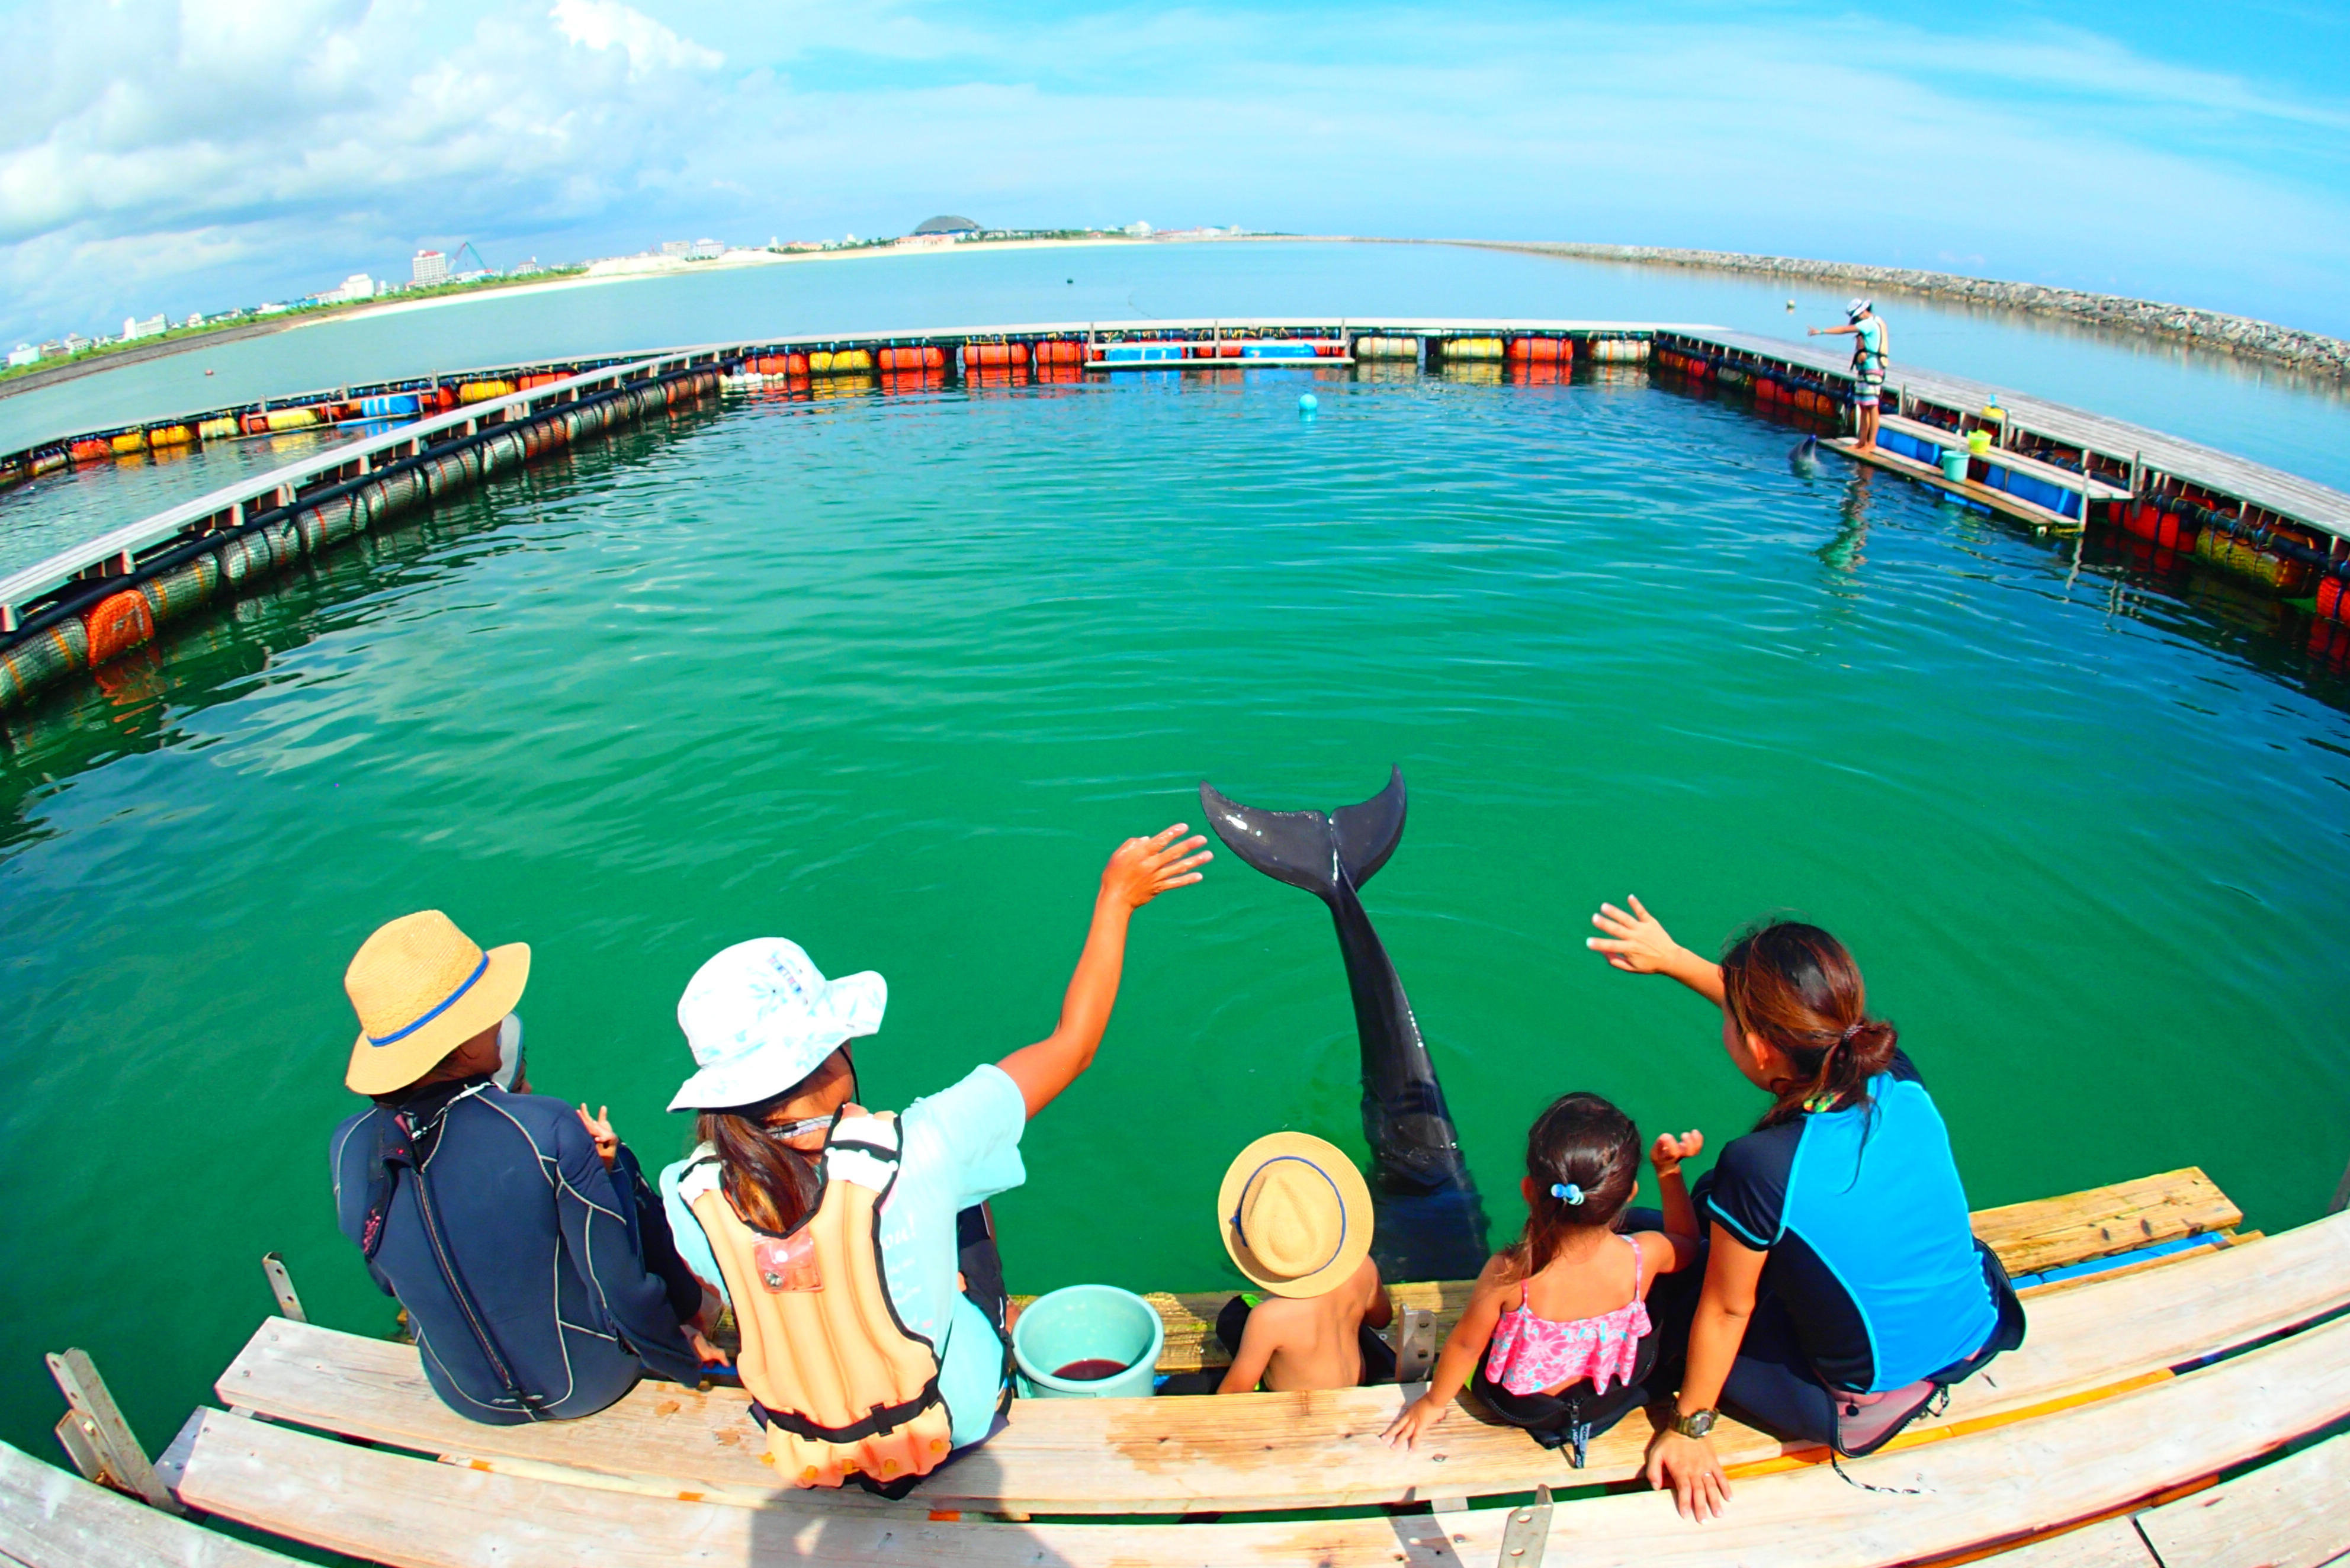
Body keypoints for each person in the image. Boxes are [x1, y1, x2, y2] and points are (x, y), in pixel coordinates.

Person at [657, 821, 1210, 1494]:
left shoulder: (691, 1186)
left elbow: (720, 1293)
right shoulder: (921, 1143)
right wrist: (1115, 898)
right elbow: (1072, 1045)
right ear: (831, 1051)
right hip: (944, 1420)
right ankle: (993, 1324)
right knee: (966, 1194)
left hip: (810, 1442)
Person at [1587, 901, 2024, 1521]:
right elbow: (1797, 1031)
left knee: (1656, 1253)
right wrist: (1675, 960)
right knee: (1748, 1222)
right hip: (1973, 1328)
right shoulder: (1893, 1073)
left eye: (1734, 1020)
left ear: (1761, 1046)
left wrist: (1690, 1428)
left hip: (1856, 1396)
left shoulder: (1761, 1163)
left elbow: (1727, 1307)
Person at [329, 910, 704, 1424]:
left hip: (467, 1397)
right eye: (489, 1013)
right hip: (586, 1385)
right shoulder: (544, 1128)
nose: (501, 1021)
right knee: (620, 1168)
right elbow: (621, 1288)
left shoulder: (349, 1145)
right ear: (461, 1043)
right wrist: (683, 1360)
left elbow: (390, 1279)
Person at [1383, 1093, 1703, 1464]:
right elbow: (1690, 1245)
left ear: (1528, 1191)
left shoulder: (1511, 1273)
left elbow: (1466, 1346)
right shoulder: (1645, 1255)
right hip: (1605, 1401)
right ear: (1629, 1193)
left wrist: (1433, 1403)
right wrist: (1669, 1172)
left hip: (1524, 1407)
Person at [1161, 1132, 1395, 1396]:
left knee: (1176, 1388)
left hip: (1301, 1409)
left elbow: (1235, 1392)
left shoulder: (1270, 1318)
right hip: (1354, 1382)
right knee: (1236, 1316)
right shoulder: (1362, 1266)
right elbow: (1381, 1319)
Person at [1809, 300, 1888, 451]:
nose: (1857, 319)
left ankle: (1871, 443)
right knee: (1863, 406)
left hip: (1872, 369)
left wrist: (1821, 331)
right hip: (1865, 370)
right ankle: (1862, 441)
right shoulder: (1876, 321)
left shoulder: (1869, 323)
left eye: (1857, 316)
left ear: (1864, 311)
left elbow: (1844, 330)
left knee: (1872, 407)